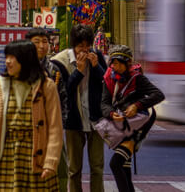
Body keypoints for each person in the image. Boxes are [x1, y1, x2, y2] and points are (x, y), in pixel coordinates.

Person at [0, 40, 63, 192]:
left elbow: (55, 127)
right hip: (8, 154)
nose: (7, 61)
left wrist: (51, 161)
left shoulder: (46, 86)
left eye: (13, 57)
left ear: (26, 59)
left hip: (37, 154)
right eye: (7, 56)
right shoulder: (0, 85)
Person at [100, 45, 164, 192]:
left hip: (136, 128)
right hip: (121, 126)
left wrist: (137, 105)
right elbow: (104, 103)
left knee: (115, 164)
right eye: (112, 63)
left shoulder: (138, 79)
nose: (114, 66)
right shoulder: (108, 79)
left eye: (117, 63)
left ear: (127, 63)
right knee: (124, 167)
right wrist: (110, 113)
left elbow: (158, 94)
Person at [52, 24, 107, 192]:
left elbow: (106, 83)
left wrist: (97, 67)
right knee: (74, 169)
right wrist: (79, 71)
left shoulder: (96, 56)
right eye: (80, 46)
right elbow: (64, 91)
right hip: (74, 122)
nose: (84, 50)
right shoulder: (60, 61)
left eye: (87, 45)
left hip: (95, 120)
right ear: (73, 45)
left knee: (97, 167)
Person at [27, 28, 69, 192]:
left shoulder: (54, 70)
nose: (42, 46)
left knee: (59, 171)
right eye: (36, 42)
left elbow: (63, 99)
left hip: (52, 131)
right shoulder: (20, 69)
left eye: (45, 42)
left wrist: (60, 125)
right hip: (29, 132)